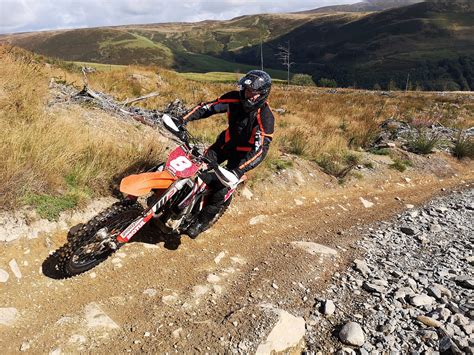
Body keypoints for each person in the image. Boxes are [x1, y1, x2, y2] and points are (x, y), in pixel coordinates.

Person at [178, 70, 275, 238]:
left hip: (243, 157)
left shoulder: (265, 117)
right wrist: (182, 119)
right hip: (224, 145)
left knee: (222, 189)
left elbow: (260, 150)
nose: (247, 94)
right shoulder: (234, 98)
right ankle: (175, 201)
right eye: (246, 90)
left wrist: (238, 170)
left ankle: (201, 222)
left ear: (262, 93)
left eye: (252, 92)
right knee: (195, 167)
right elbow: (208, 107)